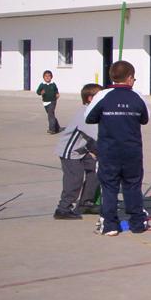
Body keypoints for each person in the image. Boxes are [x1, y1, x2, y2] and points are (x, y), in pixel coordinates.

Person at [85, 60, 150, 236]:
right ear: (129, 78)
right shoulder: (137, 96)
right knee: (132, 186)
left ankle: (110, 225)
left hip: (109, 151)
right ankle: (137, 223)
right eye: (133, 78)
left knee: (109, 187)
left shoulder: (102, 96)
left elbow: (89, 116)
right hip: (131, 151)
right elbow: (145, 118)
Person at [53, 83, 103, 219]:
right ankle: (63, 209)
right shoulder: (86, 114)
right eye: (100, 96)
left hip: (82, 149)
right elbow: (98, 136)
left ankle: (86, 202)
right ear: (90, 99)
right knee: (75, 179)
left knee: (96, 169)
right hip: (70, 152)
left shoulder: (93, 112)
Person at [36, 70, 62, 134]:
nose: (47, 77)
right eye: (46, 76)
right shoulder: (42, 85)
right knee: (51, 115)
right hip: (45, 102)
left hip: (53, 101)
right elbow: (38, 92)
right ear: (43, 77)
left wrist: (57, 94)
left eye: (49, 76)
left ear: (51, 77)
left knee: (50, 115)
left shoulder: (53, 84)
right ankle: (57, 127)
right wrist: (41, 92)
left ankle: (52, 129)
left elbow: (56, 90)